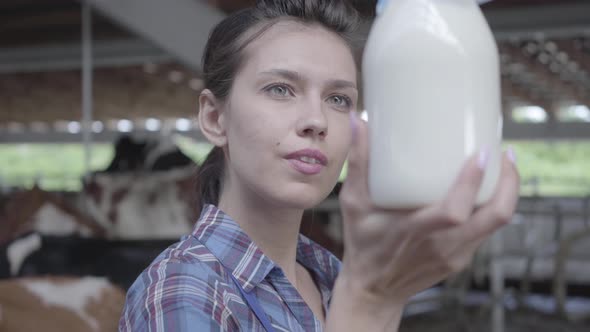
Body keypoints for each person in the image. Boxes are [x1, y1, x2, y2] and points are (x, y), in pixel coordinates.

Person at [119, 0, 520, 331]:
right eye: (280, 89)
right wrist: (369, 303)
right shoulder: (183, 291)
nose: (318, 121)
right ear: (214, 118)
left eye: (339, 99)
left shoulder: (330, 272)